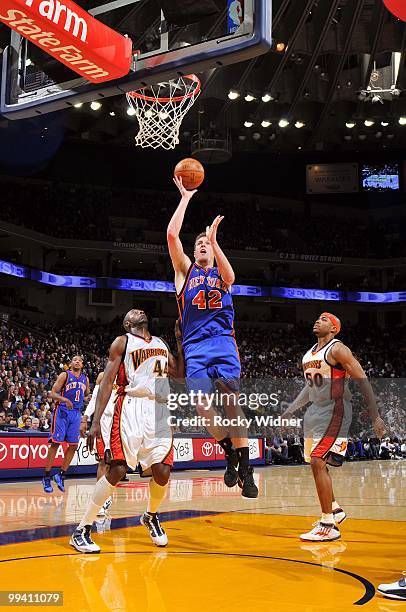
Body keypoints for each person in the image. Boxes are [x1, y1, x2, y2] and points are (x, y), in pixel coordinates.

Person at [166, 175, 258, 499]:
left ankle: (246, 470)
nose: (202, 245)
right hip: (195, 347)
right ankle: (228, 451)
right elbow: (172, 234)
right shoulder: (185, 273)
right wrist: (186, 198)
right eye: (199, 245)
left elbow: (231, 275)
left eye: (204, 244)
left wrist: (215, 241)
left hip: (222, 342)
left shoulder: (222, 274)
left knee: (232, 403)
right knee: (203, 408)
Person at [69, 310, 184, 554]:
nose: (141, 311)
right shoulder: (122, 342)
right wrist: (95, 422)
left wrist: (179, 340)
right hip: (131, 405)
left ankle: (151, 516)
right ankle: (82, 529)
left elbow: (180, 374)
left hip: (159, 409)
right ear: (128, 323)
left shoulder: (160, 343)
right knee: (118, 469)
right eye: (134, 313)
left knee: (162, 471)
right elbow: (107, 383)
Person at [283, 313, 385, 542]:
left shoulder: (338, 349)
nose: (318, 320)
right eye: (318, 318)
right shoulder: (308, 354)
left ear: (334, 329)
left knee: (319, 460)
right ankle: (336, 509)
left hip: (335, 410)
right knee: (315, 463)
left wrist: (375, 416)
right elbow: (310, 389)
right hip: (316, 413)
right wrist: (290, 409)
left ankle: (328, 524)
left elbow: (362, 379)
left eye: (324, 319)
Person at [42, 356, 90, 494]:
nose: (77, 361)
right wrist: (64, 400)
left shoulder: (85, 379)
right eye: (74, 360)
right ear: (71, 363)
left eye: (80, 360)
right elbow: (52, 393)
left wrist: (88, 398)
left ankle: (61, 474)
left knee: (74, 445)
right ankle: (46, 476)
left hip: (76, 413)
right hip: (62, 410)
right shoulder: (65, 375)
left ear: (82, 364)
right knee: (55, 444)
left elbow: (85, 395)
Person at [81, 371, 118, 517]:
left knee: (116, 463)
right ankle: (100, 501)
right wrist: (85, 418)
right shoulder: (104, 375)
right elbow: (95, 398)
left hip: (119, 421)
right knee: (103, 461)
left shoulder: (129, 375)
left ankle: (107, 494)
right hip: (103, 421)